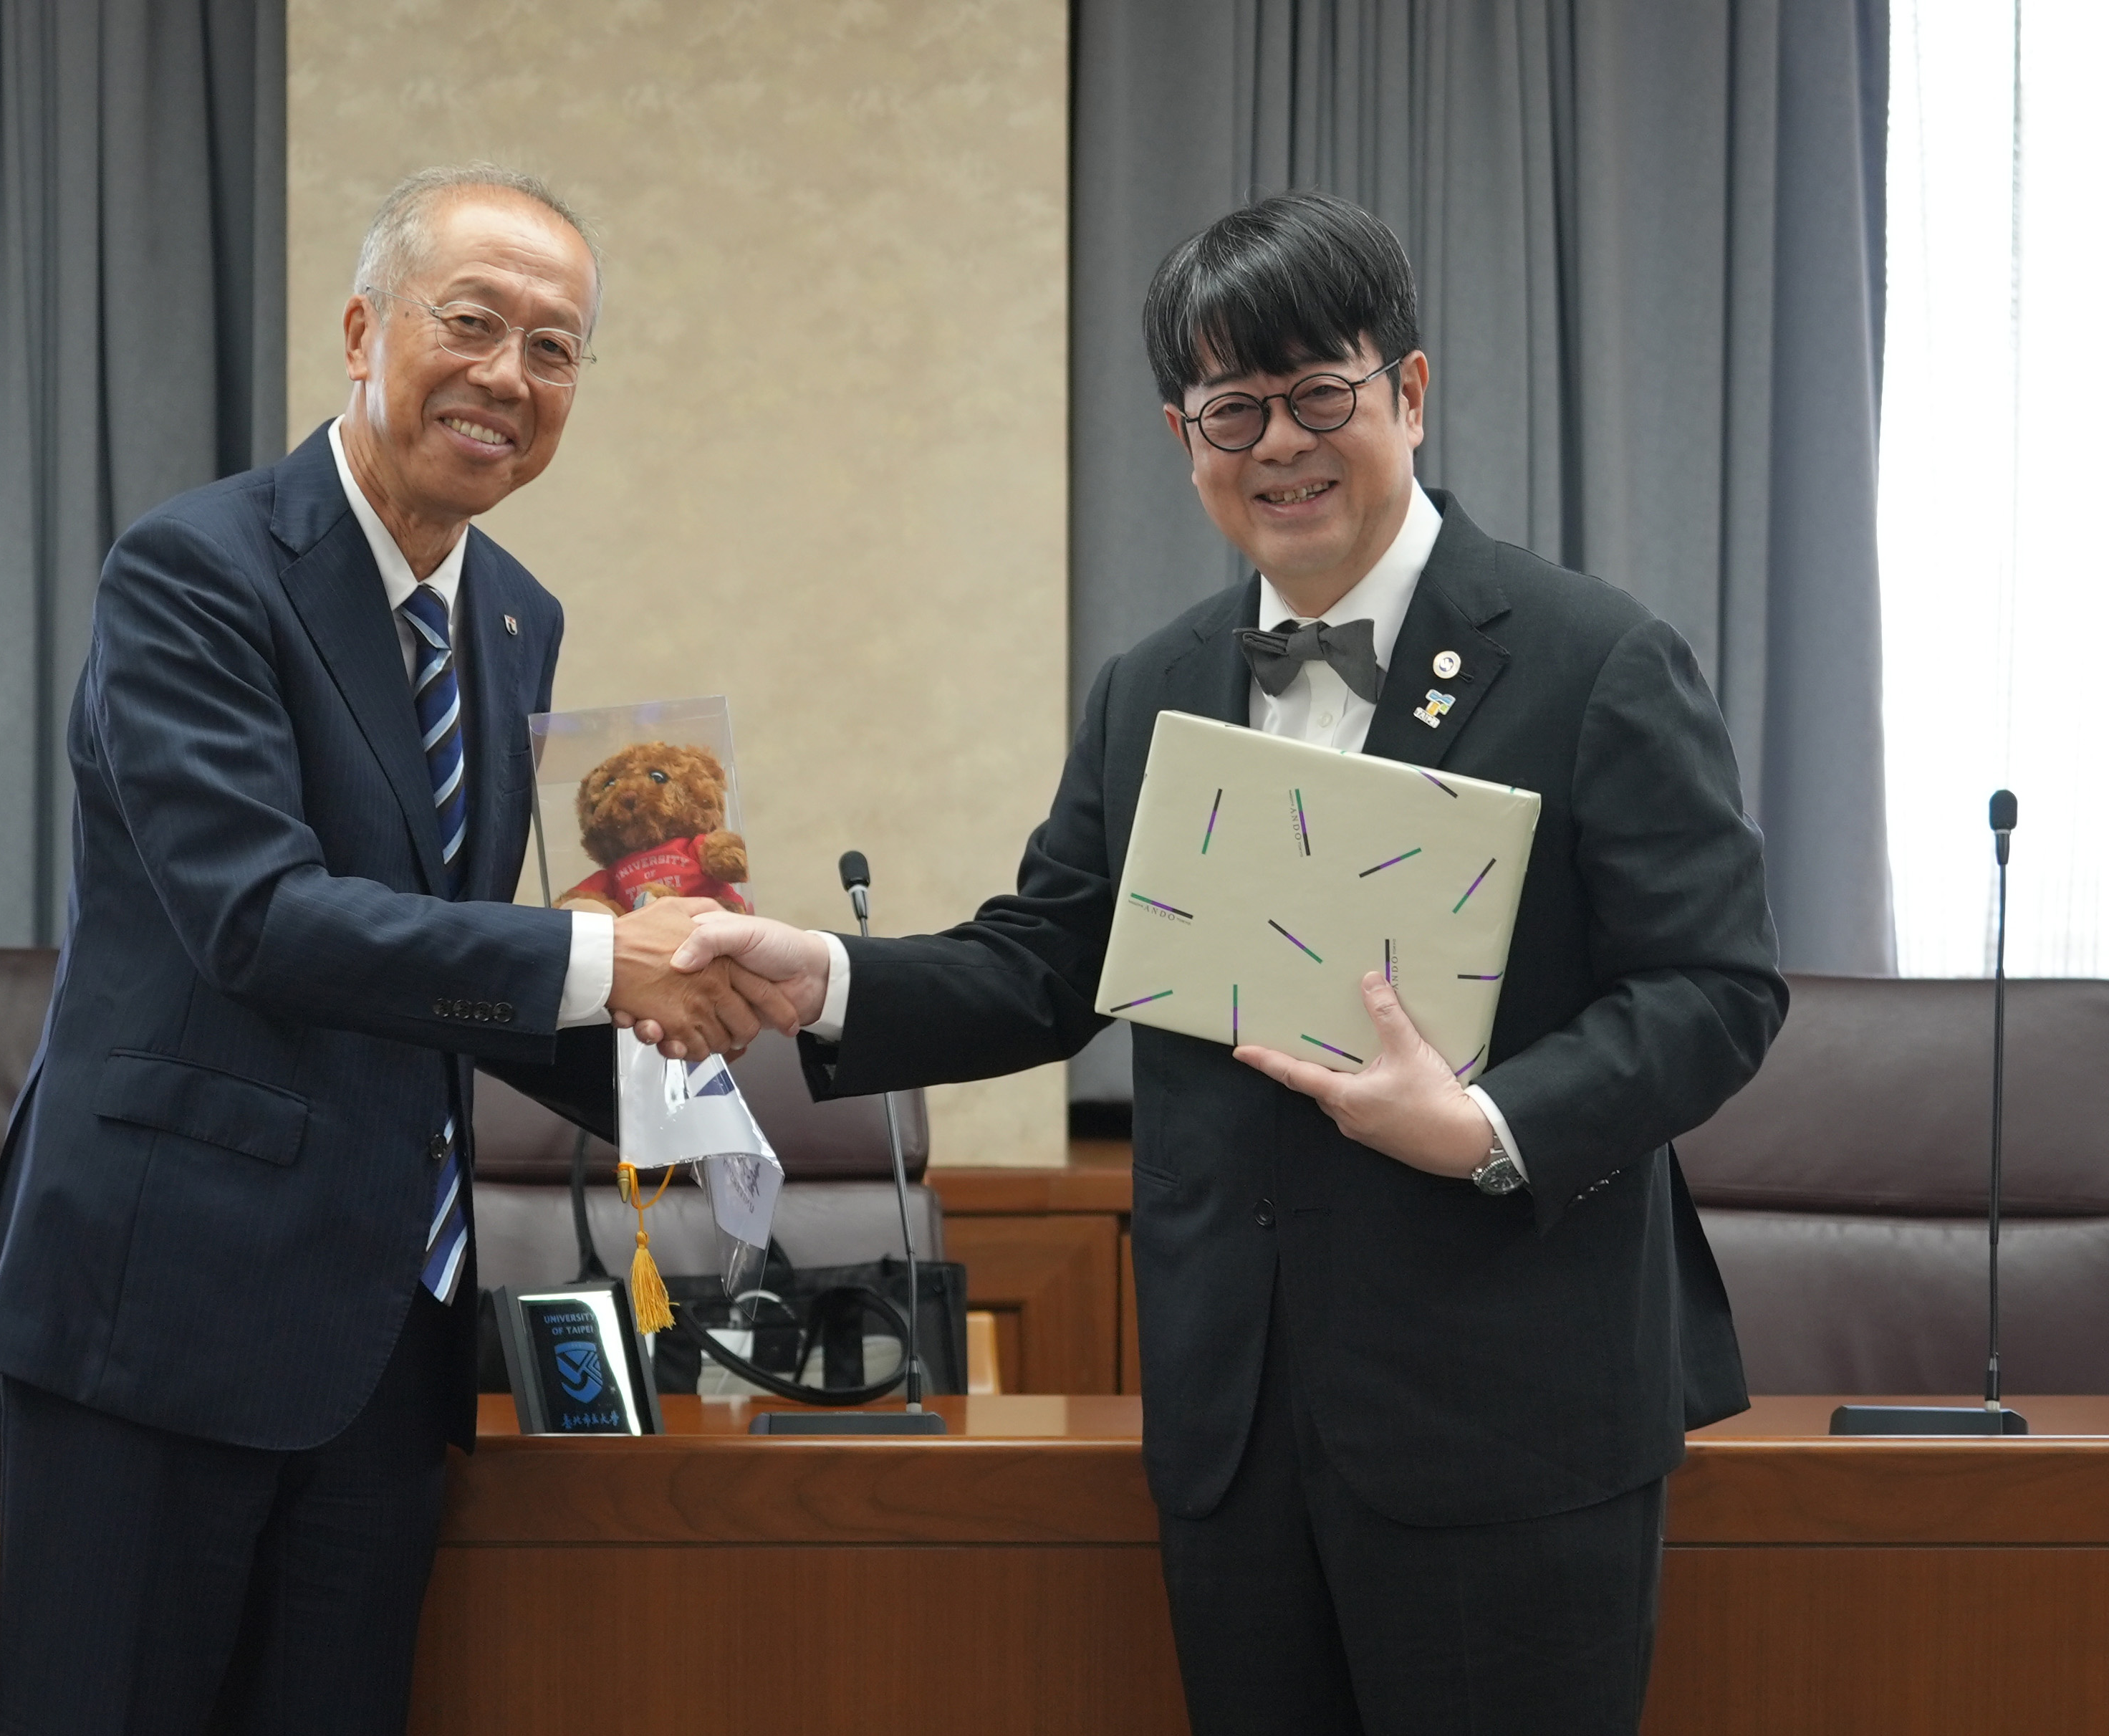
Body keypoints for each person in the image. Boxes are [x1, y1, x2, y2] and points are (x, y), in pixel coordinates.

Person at [671, 191, 1786, 1733]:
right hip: (1233, 1425)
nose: (1279, 445)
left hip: (1511, 1418)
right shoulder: (1154, 685)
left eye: (1319, 394)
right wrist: (827, 977)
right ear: (1181, 434)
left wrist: (1485, 1125)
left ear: (1409, 391)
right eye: (1232, 409)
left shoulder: (1594, 658)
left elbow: (1715, 989)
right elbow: (1050, 963)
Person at [0, 165, 785, 1734]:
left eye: (554, 349)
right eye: (471, 323)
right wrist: (607, 965)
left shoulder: (516, 616)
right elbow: (259, 918)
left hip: (387, 1336)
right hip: (162, 1314)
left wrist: (696, 1045)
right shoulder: (194, 571)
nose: (508, 376)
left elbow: (444, 972)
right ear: (362, 331)